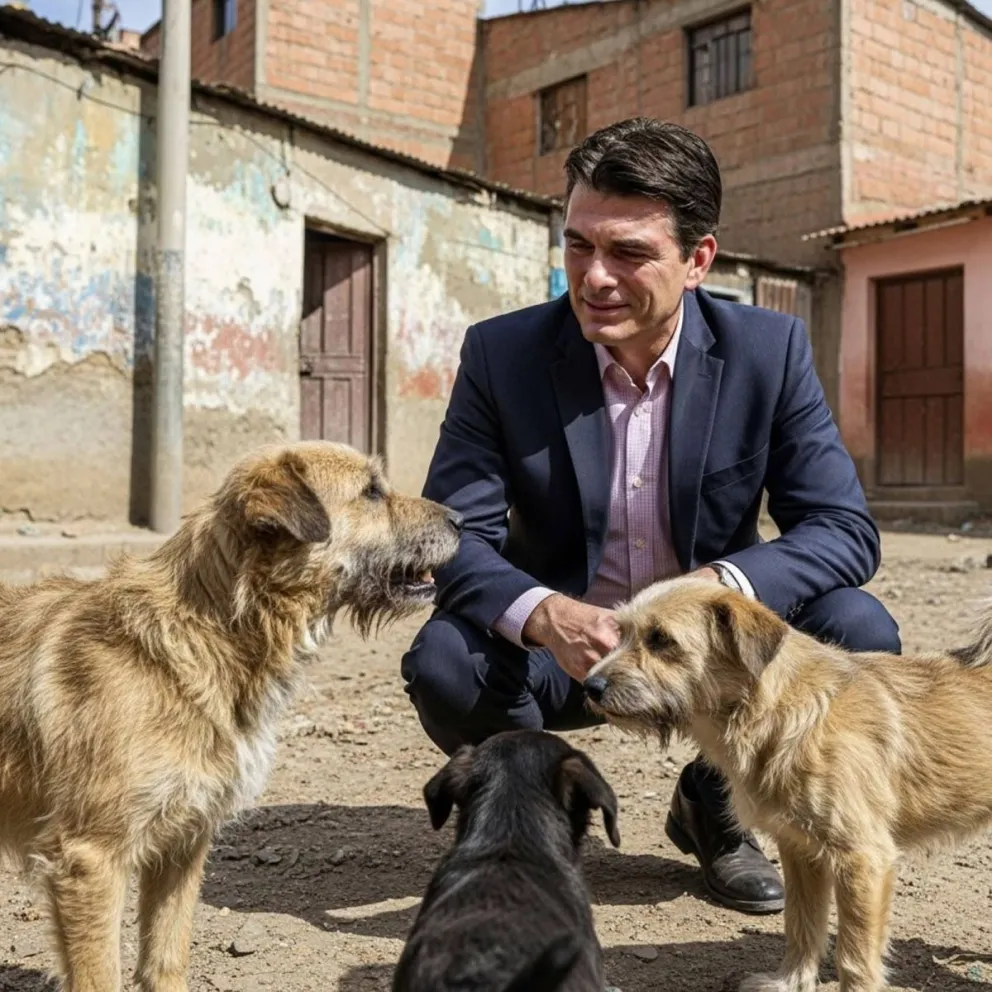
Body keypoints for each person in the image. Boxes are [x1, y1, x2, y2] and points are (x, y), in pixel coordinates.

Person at [399, 116, 901, 915]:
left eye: (628, 252)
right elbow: (454, 535)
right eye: (577, 245)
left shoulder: (768, 352)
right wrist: (543, 615)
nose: (593, 278)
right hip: (566, 653)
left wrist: (715, 594)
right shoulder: (503, 355)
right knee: (446, 662)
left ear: (698, 259)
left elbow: (843, 527)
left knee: (858, 631)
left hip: (703, 659)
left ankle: (715, 805)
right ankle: (537, 825)